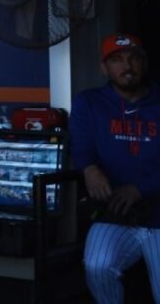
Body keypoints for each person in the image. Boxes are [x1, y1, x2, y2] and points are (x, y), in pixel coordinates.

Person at [73, 33, 160, 304]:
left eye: (134, 58)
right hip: (117, 213)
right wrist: (89, 168)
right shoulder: (90, 102)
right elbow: (80, 145)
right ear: (104, 68)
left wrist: (140, 188)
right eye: (117, 60)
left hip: (158, 212)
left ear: (144, 63)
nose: (127, 66)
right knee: (97, 265)